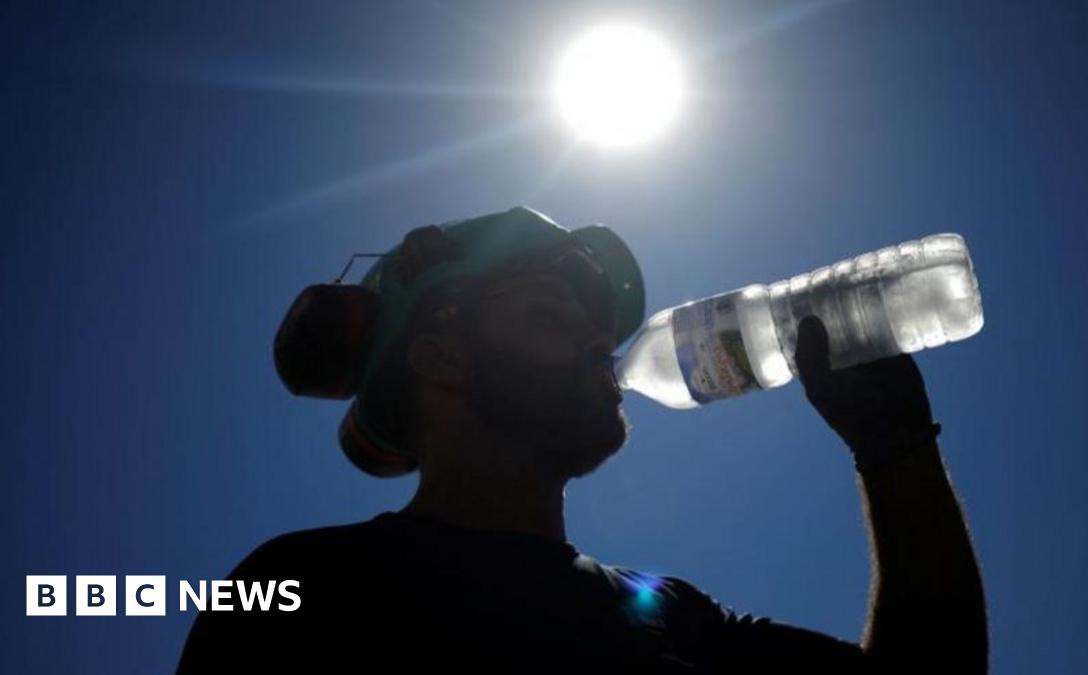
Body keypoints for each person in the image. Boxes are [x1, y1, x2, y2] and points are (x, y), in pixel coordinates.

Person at [177, 207, 987, 672]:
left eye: (593, 322)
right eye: (549, 316)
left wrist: (896, 449)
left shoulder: (670, 615)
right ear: (443, 357)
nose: (595, 342)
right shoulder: (304, 587)